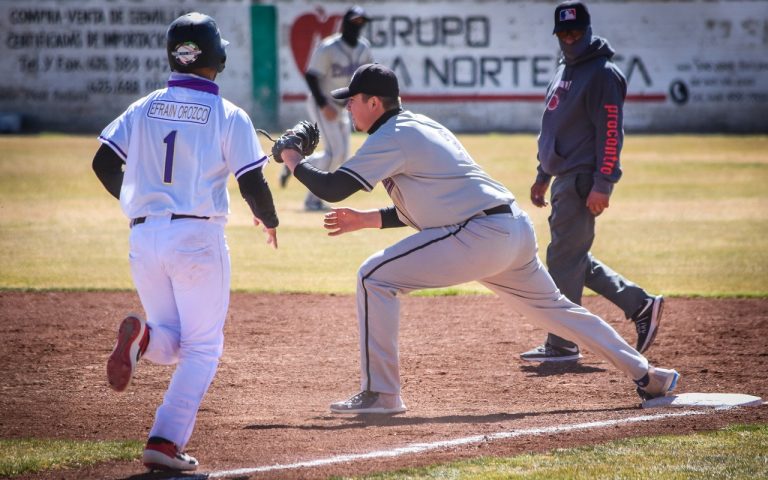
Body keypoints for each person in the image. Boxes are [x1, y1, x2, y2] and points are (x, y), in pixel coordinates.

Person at [276, 63, 679, 415]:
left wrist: (292, 157)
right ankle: (648, 375)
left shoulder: (391, 136)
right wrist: (368, 220)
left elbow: (330, 188)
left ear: (375, 103)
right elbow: (437, 203)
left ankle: (382, 393)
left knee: (373, 277)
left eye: (353, 100)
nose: (347, 106)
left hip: (480, 234)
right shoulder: (420, 126)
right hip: (511, 230)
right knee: (558, 311)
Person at [92, 13, 278, 471]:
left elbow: (102, 163)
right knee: (203, 348)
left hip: (144, 237)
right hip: (196, 236)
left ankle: (141, 340)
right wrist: (268, 219)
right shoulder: (228, 114)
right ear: (217, 56)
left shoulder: (144, 106)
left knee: (172, 342)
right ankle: (165, 441)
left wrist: (138, 199)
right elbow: (252, 182)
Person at [520, 1, 664, 363]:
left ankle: (563, 343)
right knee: (571, 257)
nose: (570, 38)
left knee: (563, 257)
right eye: (563, 33)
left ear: (587, 30)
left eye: (575, 32)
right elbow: (554, 128)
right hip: (563, 177)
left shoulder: (603, 73)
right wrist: (542, 175)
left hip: (584, 178)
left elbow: (611, 132)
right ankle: (639, 303)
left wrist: (604, 183)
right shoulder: (564, 69)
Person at [280, 5, 374, 212]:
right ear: (346, 23)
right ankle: (312, 199)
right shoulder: (329, 47)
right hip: (323, 101)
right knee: (334, 154)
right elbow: (311, 76)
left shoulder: (363, 48)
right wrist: (323, 105)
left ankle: (294, 162)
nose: (358, 26)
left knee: (340, 156)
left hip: (344, 105)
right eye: (355, 21)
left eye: (362, 22)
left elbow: (368, 75)